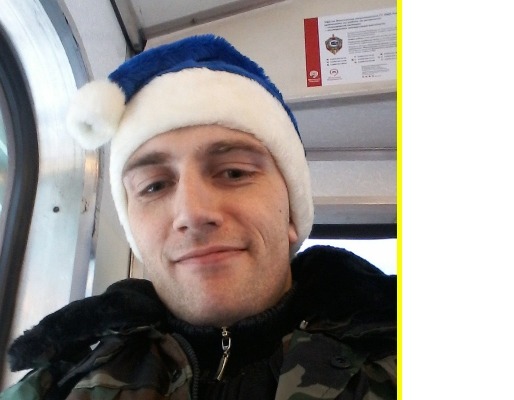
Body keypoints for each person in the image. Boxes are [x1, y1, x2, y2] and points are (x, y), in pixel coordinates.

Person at [0, 34, 397, 400]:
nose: (192, 213)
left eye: (234, 173)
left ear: (292, 210)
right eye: (154, 186)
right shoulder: (57, 388)